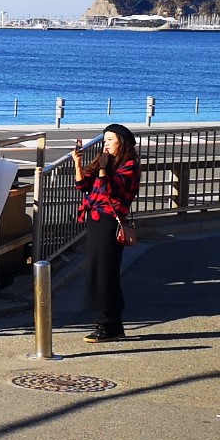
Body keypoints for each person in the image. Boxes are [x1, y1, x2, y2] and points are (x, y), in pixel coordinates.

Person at [73, 122, 139, 343]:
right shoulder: (106, 161)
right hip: (96, 221)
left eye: (110, 139)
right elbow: (83, 186)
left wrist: (103, 168)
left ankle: (107, 324)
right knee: (98, 270)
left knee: (106, 272)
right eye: (105, 139)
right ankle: (111, 325)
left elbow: (109, 189)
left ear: (122, 142)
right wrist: (78, 163)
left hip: (111, 223)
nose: (106, 144)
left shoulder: (129, 166)